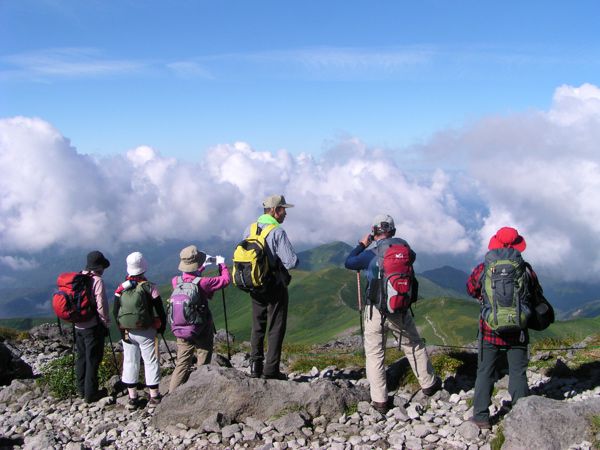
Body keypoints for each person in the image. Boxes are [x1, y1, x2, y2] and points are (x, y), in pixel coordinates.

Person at [345, 214, 441, 413]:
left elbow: (349, 262)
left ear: (374, 232)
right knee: (413, 344)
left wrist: (363, 244)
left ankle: (379, 400)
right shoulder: (405, 250)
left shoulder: (370, 254)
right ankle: (429, 384)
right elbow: (412, 257)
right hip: (400, 309)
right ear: (394, 231)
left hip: (375, 311)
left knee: (374, 354)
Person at [466, 226, 540, 429]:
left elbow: (471, 288)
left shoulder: (484, 268)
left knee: (485, 372)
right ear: (516, 245)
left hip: (490, 328)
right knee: (518, 372)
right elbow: (534, 293)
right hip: (518, 329)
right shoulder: (525, 268)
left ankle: (481, 417)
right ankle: (521, 416)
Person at [244, 194, 299, 380]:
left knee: (257, 325)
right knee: (276, 327)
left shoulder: (249, 229)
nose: (285, 214)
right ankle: (271, 370)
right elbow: (291, 262)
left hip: (254, 283)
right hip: (274, 285)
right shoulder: (277, 232)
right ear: (274, 211)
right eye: (283, 209)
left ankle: (255, 367)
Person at [168, 245, 231, 392]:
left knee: (182, 362)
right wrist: (221, 264)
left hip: (180, 328)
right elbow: (225, 280)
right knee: (203, 355)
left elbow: (190, 279)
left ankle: (172, 394)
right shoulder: (204, 283)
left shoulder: (175, 281)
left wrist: (201, 268)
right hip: (201, 327)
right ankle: (199, 390)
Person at [113, 252, 167, 409]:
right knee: (150, 361)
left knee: (130, 361)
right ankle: (154, 396)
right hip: (146, 330)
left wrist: (122, 331)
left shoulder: (120, 289)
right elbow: (160, 310)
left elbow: (115, 312)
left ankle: (132, 398)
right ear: (143, 267)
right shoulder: (149, 287)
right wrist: (161, 327)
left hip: (127, 331)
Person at [77, 250, 111, 403]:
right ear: (100, 267)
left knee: (82, 357)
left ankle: (81, 390)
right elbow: (101, 305)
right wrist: (105, 322)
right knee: (93, 359)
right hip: (92, 326)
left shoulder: (79, 277)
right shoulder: (97, 280)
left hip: (77, 325)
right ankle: (91, 394)